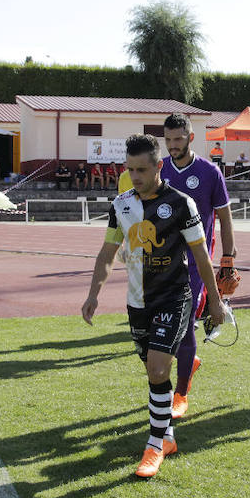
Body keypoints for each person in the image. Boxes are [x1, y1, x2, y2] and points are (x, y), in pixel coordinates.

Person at [81, 134, 227, 479]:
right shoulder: (121, 204)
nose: (135, 176)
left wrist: (216, 300)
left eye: (142, 169)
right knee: (153, 372)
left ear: (159, 166)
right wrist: (93, 294)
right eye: (130, 169)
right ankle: (169, 437)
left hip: (174, 298)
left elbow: (201, 256)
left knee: (159, 369)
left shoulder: (181, 204)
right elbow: (107, 253)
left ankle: (154, 445)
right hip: (137, 304)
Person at [160, 113, 237, 419]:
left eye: (178, 139)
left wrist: (228, 259)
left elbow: (226, 217)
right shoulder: (159, 169)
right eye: (167, 140)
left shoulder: (209, 172)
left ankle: (181, 394)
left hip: (195, 263)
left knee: (185, 322)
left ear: (191, 138)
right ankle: (187, 365)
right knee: (165, 327)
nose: (172, 145)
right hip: (162, 261)